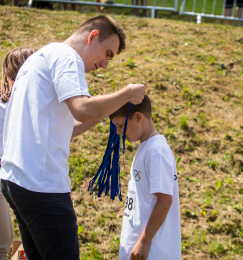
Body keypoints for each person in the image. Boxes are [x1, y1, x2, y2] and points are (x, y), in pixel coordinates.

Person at [0, 15, 145, 260]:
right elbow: (83, 108)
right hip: (42, 187)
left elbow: (66, 128)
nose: (105, 65)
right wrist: (127, 93)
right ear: (93, 36)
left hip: (17, 183)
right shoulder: (67, 56)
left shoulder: (37, 60)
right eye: (108, 53)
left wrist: (105, 110)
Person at [110, 95, 181, 260]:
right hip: (138, 249)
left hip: (153, 251)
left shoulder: (156, 151)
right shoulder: (146, 147)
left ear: (137, 117)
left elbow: (165, 201)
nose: (118, 132)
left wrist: (145, 240)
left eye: (120, 125)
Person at [0, 47, 35, 260]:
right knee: (5, 243)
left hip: (20, 180)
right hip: (10, 178)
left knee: (20, 239)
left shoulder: (27, 105)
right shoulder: (5, 105)